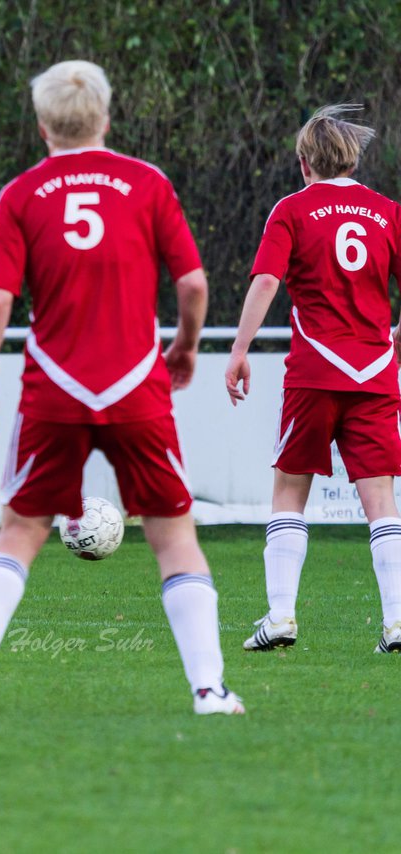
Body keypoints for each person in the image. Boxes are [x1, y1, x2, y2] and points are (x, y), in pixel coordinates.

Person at [0, 60, 244, 715]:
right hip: (135, 383)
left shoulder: (21, 194)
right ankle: (209, 690)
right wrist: (184, 346)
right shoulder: (148, 183)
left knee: (19, 531)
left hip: (55, 387)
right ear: (106, 117)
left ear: (43, 126)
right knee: (175, 537)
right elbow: (194, 285)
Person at [225, 104, 401, 655]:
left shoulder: (292, 210)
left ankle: (280, 617)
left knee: (289, 488)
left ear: (305, 163)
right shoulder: (388, 212)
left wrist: (240, 347)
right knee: (381, 498)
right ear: (353, 158)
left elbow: (266, 281)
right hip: (375, 373)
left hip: (315, 372)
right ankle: (397, 623)